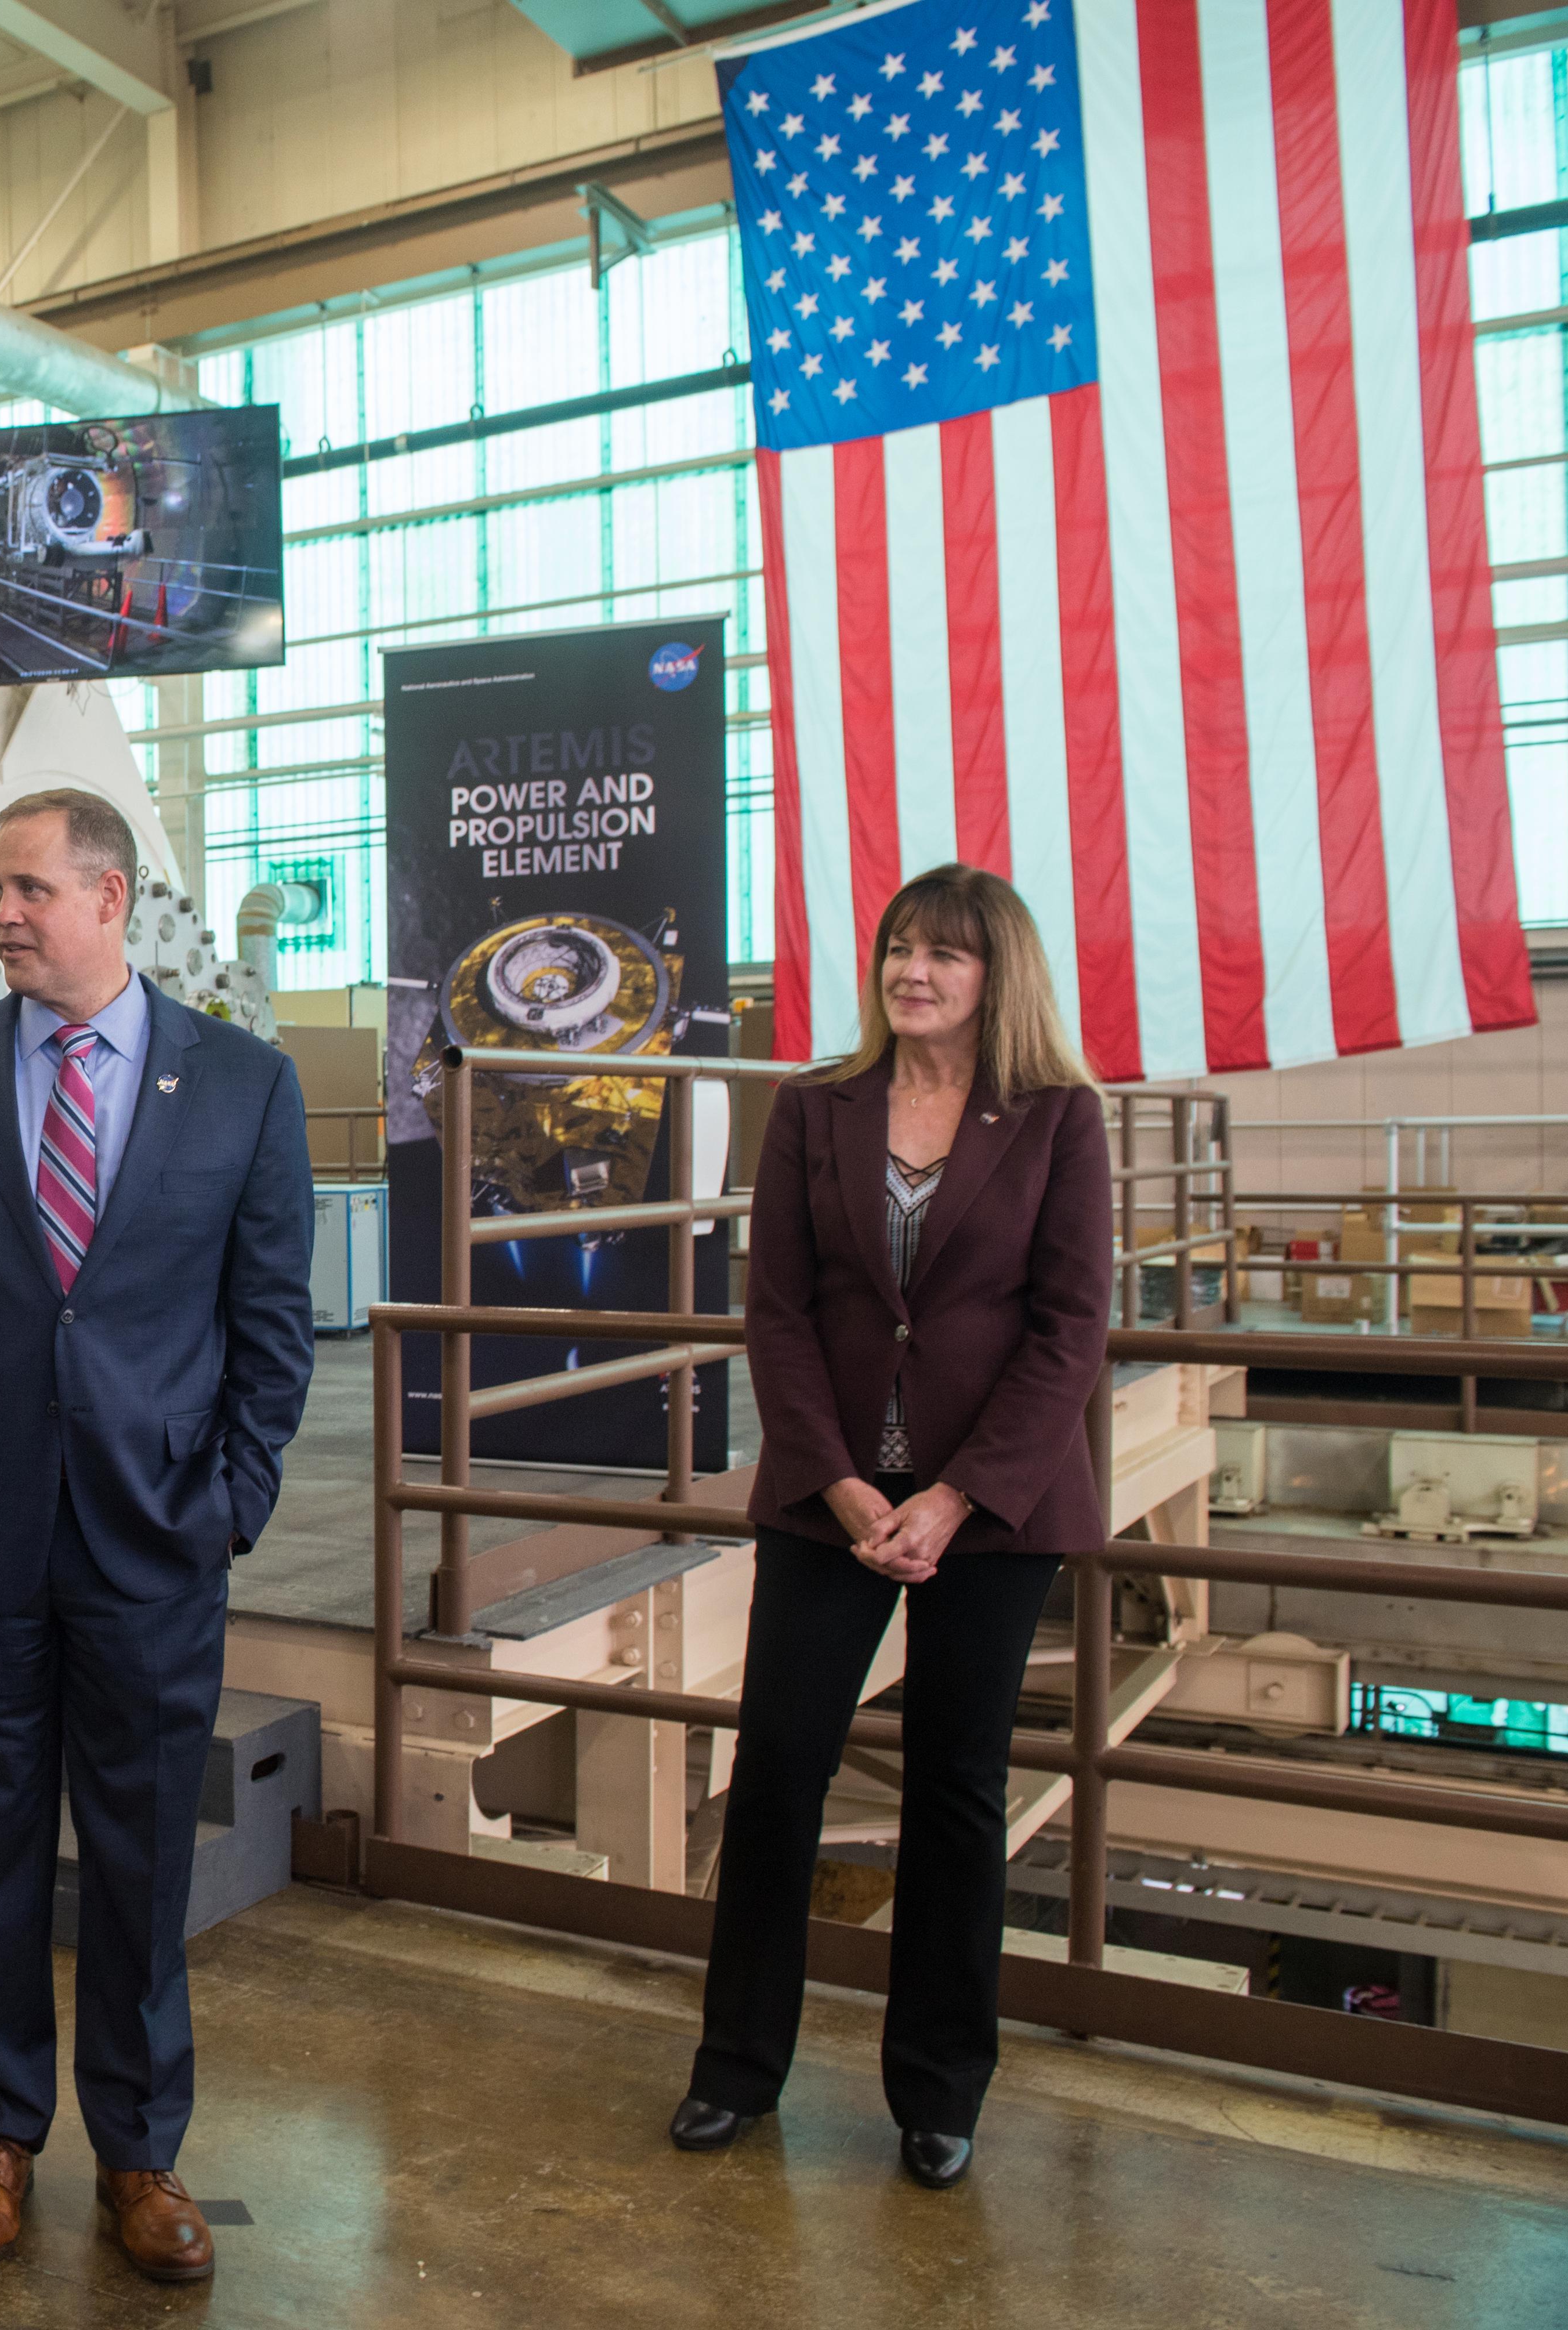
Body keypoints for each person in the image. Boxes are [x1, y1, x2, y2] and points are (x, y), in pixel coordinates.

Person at [0, 788, 314, 2285]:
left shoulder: (240, 1081)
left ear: (109, 899)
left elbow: (271, 1321)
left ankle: (141, 2150)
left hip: (154, 1535)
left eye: (29, 888)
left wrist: (230, 1497)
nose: (1, 914)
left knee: (139, 1854)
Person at [670, 862, 1109, 2191]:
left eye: (943, 955)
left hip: (993, 1509)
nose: (910, 971)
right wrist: (848, 1485)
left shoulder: (1055, 1119)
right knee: (776, 1776)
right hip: (830, 1502)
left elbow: (1068, 1326)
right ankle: (734, 2071)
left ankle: (935, 2091)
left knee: (954, 1797)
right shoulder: (814, 1109)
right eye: (897, 948)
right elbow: (780, 1312)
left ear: (997, 976)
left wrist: (954, 1493)